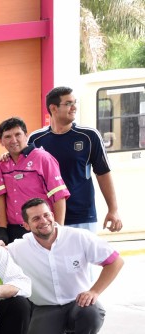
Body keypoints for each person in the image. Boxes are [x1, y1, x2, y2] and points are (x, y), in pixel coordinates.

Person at [0, 198, 123, 334]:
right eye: (35, 219)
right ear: (26, 225)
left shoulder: (78, 237)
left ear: (53, 215)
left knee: (93, 311)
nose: (43, 221)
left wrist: (94, 291)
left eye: (46, 215)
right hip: (45, 308)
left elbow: (115, 262)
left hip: (78, 303)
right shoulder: (17, 248)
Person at [29, 86, 122, 233]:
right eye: (68, 104)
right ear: (53, 108)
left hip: (82, 217)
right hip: (47, 219)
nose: (74, 107)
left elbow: (103, 173)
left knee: (87, 257)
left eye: (75, 102)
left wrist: (113, 210)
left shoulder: (89, 136)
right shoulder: (35, 139)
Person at [0, 117, 70, 242]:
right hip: (13, 230)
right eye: (8, 137)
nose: (13, 140)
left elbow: (59, 196)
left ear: (26, 135)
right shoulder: (2, 164)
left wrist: (59, 230)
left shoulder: (43, 158)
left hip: (40, 227)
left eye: (18, 134)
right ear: (1, 141)